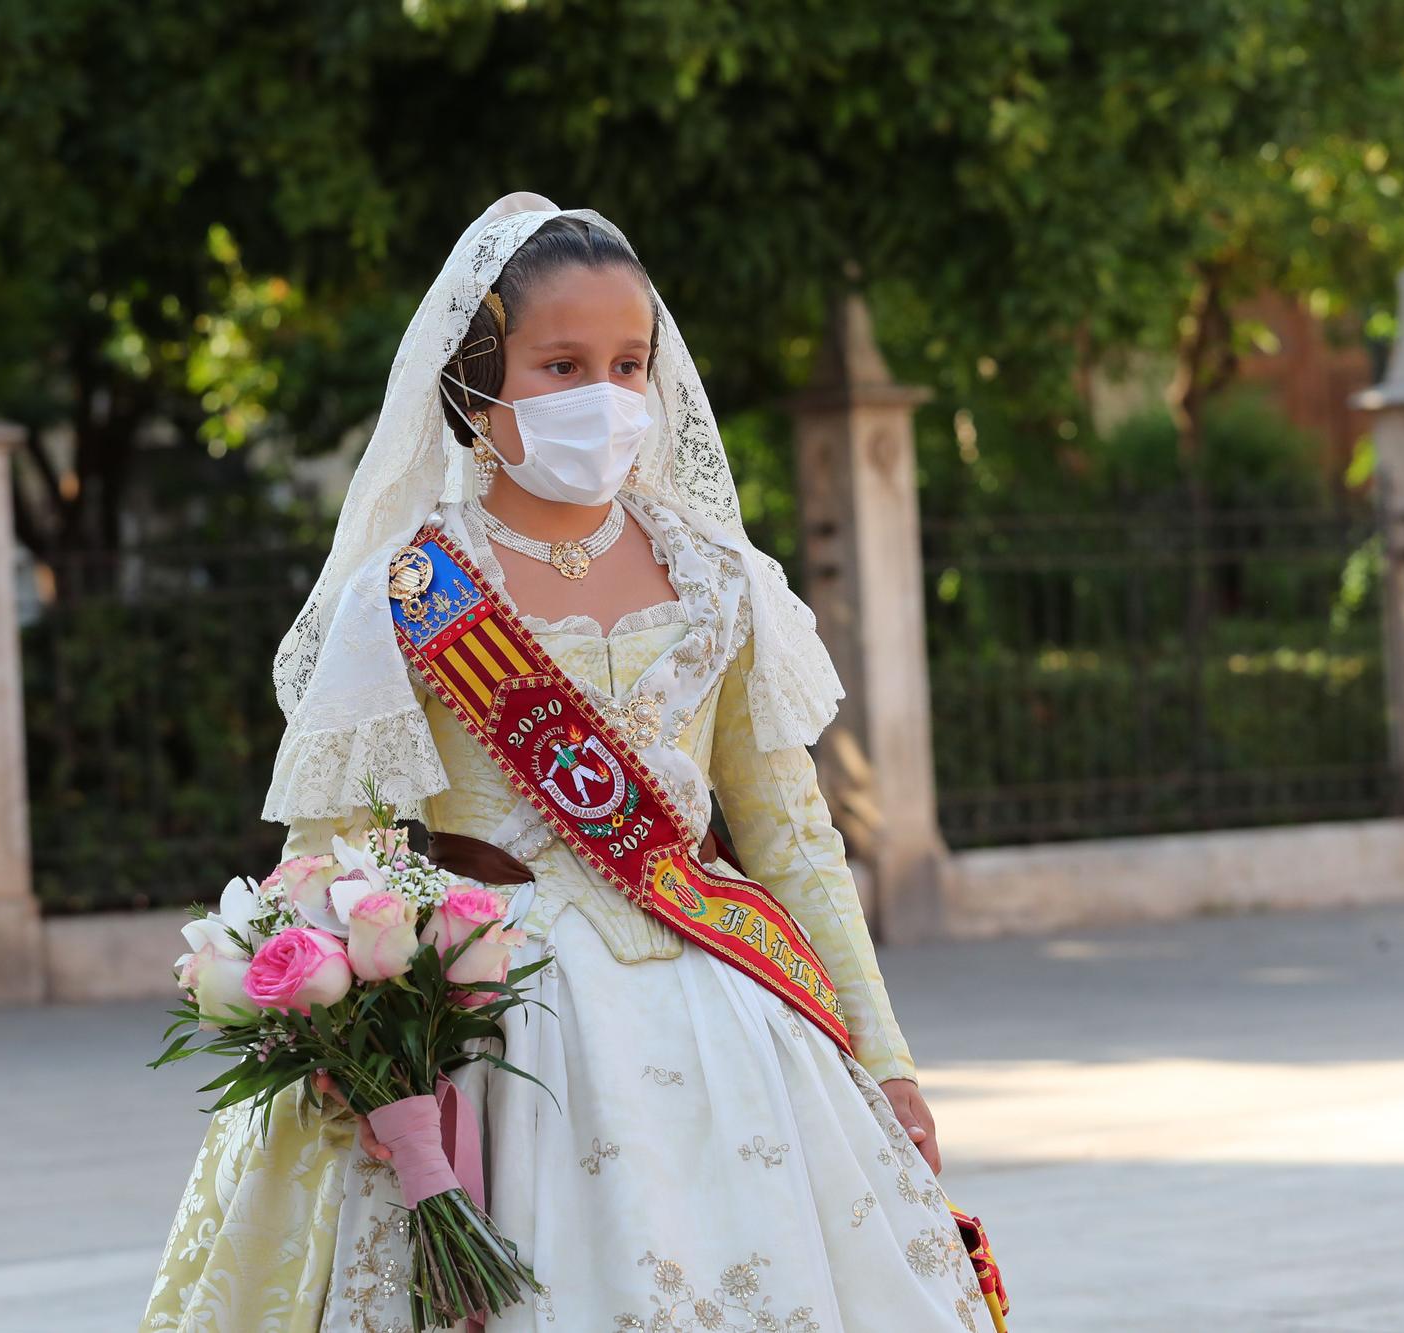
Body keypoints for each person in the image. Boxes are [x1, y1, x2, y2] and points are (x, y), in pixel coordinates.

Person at [142, 193, 993, 1331]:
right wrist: (363, 1047)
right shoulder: (407, 589)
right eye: (561, 365)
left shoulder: (719, 577)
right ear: (473, 385)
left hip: (725, 1022)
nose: (605, 396)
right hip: (490, 1044)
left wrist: (884, 1061)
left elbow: (792, 836)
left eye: (628, 364)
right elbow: (326, 865)